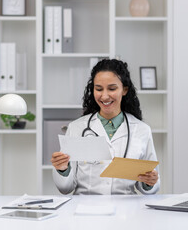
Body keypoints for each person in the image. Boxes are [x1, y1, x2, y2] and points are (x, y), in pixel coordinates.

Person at [51, 59, 160, 195]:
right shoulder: (76, 128)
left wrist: (150, 182)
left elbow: (150, 187)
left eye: (112, 88)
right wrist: (62, 169)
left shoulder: (142, 130)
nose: (104, 96)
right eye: (99, 89)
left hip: (126, 211)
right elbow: (65, 188)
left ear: (124, 90)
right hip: (85, 211)